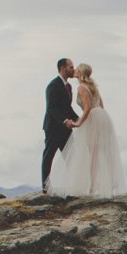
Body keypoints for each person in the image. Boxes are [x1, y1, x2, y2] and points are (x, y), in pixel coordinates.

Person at [48, 63, 126, 198]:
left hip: (93, 119)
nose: (74, 71)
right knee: (102, 152)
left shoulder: (81, 88)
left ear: (80, 73)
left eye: (76, 69)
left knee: (92, 154)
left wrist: (79, 123)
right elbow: (101, 105)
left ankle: (91, 186)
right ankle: (109, 182)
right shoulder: (94, 87)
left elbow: (88, 108)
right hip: (102, 117)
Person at [41, 57, 78, 191]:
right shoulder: (53, 85)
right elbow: (52, 108)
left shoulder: (68, 86)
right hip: (53, 128)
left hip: (66, 130)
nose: (73, 70)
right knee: (49, 156)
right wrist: (64, 121)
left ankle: (73, 186)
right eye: (71, 67)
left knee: (72, 157)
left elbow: (67, 108)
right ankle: (45, 187)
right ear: (63, 69)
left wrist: (79, 119)